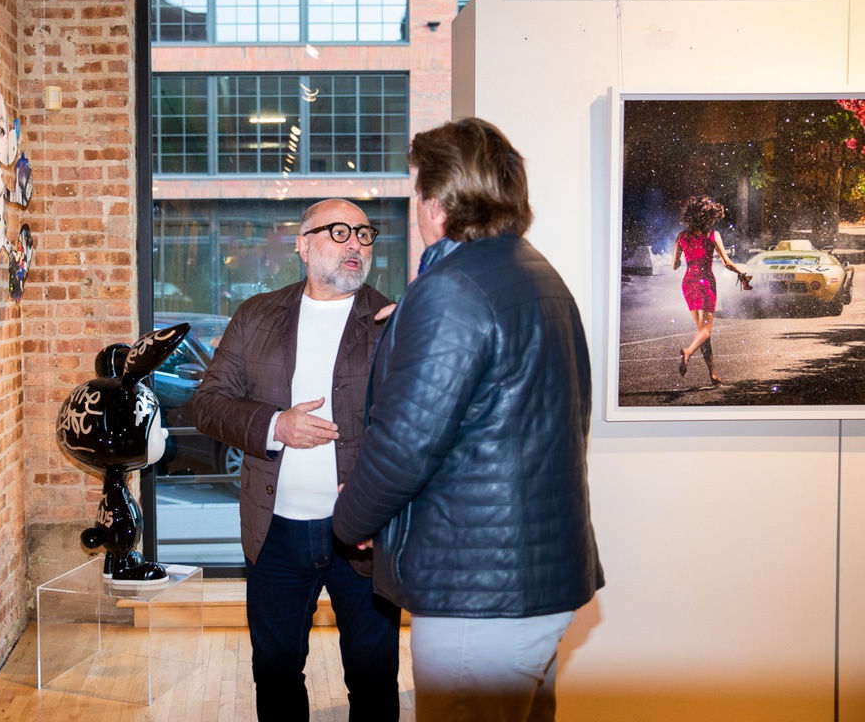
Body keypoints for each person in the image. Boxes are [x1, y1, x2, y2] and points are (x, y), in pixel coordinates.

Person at [332, 118, 604, 722]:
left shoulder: (452, 290)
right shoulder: (534, 273)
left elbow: (406, 444)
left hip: (479, 588)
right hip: (534, 577)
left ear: (437, 203)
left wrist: (351, 519)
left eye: (418, 192)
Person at [188, 199, 400, 722]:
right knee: (277, 673)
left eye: (364, 234)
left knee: (374, 678)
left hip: (363, 535)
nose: (355, 244)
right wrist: (275, 425)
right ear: (303, 245)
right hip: (275, 533)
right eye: (339, 232)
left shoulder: (391, 321)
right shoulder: (256, 315)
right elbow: (208, 404)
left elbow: (415, 425)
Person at [672, 195, 747, 384]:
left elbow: (674, 266)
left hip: (688, 283)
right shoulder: (712, 235)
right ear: (708, 217)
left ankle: (712, 373)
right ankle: (688, 351)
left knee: (702, 331)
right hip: (705, 284)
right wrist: (741, 272)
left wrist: (682, 258)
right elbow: (726, 262)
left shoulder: (681, 236)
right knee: (705, 330)